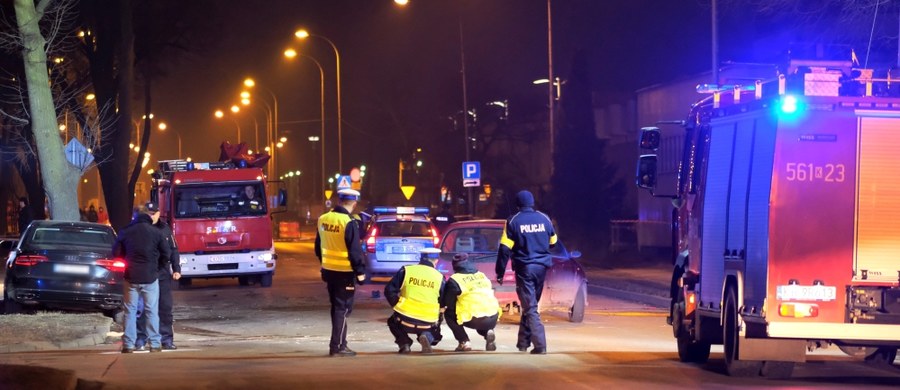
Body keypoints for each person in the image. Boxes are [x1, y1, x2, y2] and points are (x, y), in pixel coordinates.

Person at [495, 190, 557, 355]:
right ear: (532, 202)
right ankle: (523, 342)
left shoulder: (513, 221)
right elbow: (553, 242)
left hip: (525, 269)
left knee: (530, 307)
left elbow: (504, 249)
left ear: (517, 204)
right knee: (530, 305)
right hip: (542, 268)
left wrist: (500, 272)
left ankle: (540, 345)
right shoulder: (544, 218)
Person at [113, 202, 171, 353]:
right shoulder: (155, 232)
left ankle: (128, 344)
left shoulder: (125, 231)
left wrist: (127, 263)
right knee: (151, 310)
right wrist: (157, 268)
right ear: (147, 215)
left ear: (134, 216)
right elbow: (166, 254)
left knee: (130, 311)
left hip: (131, 276)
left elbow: (116, 252)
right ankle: (155, 343)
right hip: (150, 276)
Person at [314, 188, 367, 357]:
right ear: (355, 203)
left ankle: (339, 344)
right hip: (345, 273)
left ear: (339, 200)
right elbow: (355, 251)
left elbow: (317, 247)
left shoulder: (323, 218)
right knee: (343, 309)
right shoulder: (348, 222)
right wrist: (360, 272)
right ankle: (337, 346)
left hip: (329, 272)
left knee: (336, 309)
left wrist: (325, 263)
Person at [384, 248, 446, 354]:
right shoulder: (440, 277)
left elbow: (389, 290)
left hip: (404, 317)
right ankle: (426, 336)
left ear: (421, 258)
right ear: (436, 261)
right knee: (434, 327)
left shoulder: (406, 270)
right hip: (427, 320)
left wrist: (397, 305)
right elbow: (444, 300)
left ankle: (404, 343)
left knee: (392, 321)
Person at [135, 214, 182, 350]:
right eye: (149, 213)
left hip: (162, 275)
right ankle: (141, 339)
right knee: (142, 309)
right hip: (145, 274)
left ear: (158, 213)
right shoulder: (139, 229)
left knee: (164, 308)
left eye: (154, 212)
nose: (152, 216)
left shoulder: (165, 228)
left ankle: (166, 339)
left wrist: (176, 268)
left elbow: (173, 250)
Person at [443, 253, 501, 352]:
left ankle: (464, 342)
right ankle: (488, 332)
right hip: (493, 316)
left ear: (455, 266)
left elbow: (448, 302)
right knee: (481, 314)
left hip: (473, 318)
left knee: (449, 314)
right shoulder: (481, 275)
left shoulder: (455, 279)